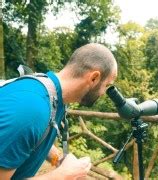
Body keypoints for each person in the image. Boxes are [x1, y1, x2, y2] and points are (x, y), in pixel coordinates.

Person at [0, 43, 118, 180]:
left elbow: (29, 137)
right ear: (94, 78)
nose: (104, 93)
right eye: (107, 85)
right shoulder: (31, 109)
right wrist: (63, 175)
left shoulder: (54, 97)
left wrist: (59, 159)